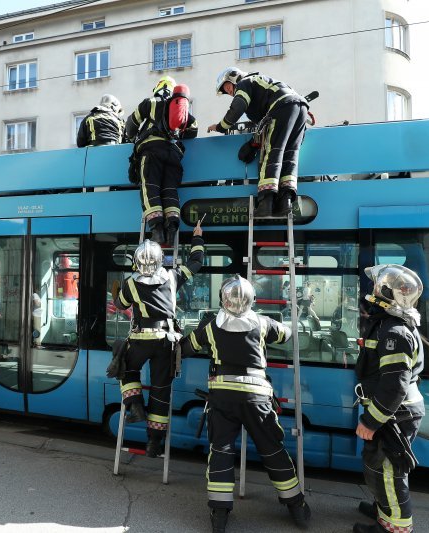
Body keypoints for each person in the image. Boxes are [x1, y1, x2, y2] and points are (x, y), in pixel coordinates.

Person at [180, 275, 312, 533]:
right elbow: (287, 334)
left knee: (221, 451)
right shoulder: (263, 324)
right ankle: (296, 506)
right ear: (253, 300)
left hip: (222, 396)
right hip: (257, 397)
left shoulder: (210, 327)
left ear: (222, 299)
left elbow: (187, 347)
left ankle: (219, 513)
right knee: (272, 449)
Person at [112, 220, 205, 456]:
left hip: (141, 340)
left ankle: (134, 405)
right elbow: (197, 262)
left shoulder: (131, 283)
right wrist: (197, 237)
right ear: (161, 259)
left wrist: (118, 293)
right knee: (160, 391)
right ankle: (154, 442)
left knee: (125, 367)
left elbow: (120, 304)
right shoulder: (173, 276)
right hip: (167, 342)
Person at [353, 264, 425, 533]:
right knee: (378, 466)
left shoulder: (394, 332)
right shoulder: (389, 325)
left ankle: (395, 526)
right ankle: (384, 508)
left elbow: (395, 387)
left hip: (395, 413)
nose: (371, 290)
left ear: (385, 292)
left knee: (388, 470)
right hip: (393, 412)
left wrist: (371, 421)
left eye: (376, 286)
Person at [207, 67, 309, 218]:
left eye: (228, 86)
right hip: (301, 107)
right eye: (225, 90)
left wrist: (221, 126)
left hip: (281, 106)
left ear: (235, 77)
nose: (228, 91)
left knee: (272, 152)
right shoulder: (260, 84)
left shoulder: (245, 83)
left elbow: (238, 107)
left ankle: (265, 204)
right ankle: (285, 203)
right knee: (290, 156)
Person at [125, 76, 199, 244]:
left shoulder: (150, 103)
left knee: (150, 188)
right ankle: (172, 229)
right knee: (170, 190)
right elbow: (193, 130)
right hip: (173, 155)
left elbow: (130, 125)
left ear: (158, 88)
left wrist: (132, 137)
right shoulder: (181, 109)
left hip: (151, 152)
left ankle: (157, 231)